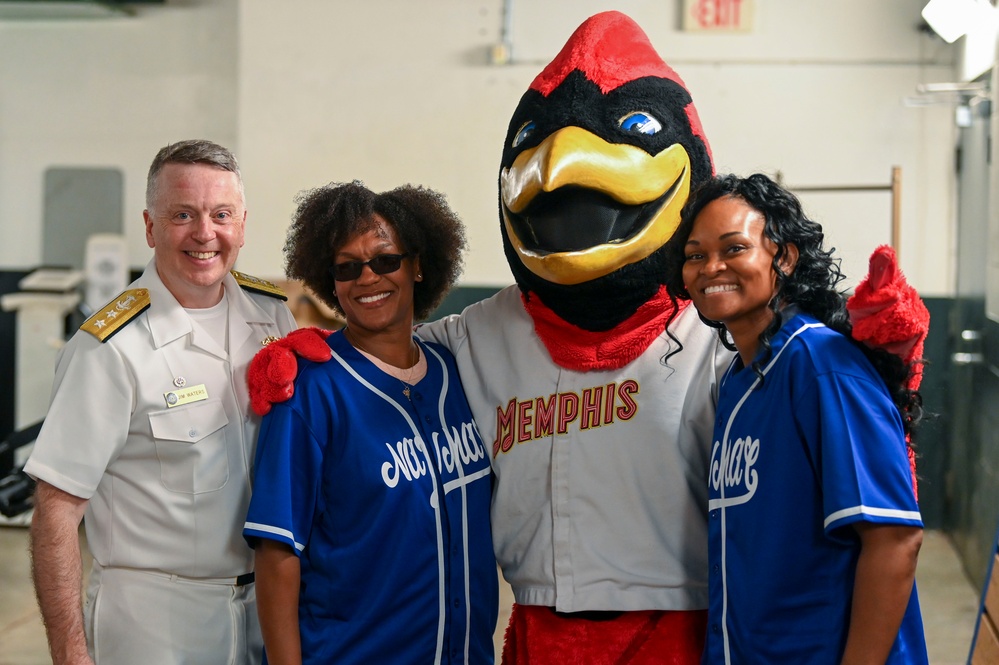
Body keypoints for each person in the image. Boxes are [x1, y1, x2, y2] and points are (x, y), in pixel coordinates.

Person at [25, 139, 298, 665]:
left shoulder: (273, 317)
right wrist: (70, 655)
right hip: (155, 622)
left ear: (242, 223)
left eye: (221, 214)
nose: (205, 233)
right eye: (182, 214)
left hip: (265, 609)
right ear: (151, 227)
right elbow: (56, 510)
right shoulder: (109, 348)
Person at [664, 173, 928, 664]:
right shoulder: (741, 380)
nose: (711, 267)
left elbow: (894, 540)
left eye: (734, 248)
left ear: (783, 257)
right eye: (695, 255)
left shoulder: (822, 366)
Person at [242, 181, 498, 665]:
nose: (367, 278)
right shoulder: (310, 391)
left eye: (385, 260)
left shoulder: (457, 372)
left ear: (417, 265)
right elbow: (277, 555)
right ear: (330, 281)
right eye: (347, 267)